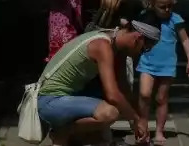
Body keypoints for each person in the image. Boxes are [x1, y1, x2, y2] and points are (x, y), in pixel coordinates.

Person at [36, 12, 162, 146]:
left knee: (113, 108)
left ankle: (79, 138)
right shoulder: (103, 45)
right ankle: (63, 132)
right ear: (139, 39)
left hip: (68, 98)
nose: (141, 54)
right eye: (144, 50)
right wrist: (135, 119)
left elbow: (123, 87)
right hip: (49, 101)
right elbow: (113, 95)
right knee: (110, 113)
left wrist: (140, 120)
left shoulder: (116, 46)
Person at [137, 0, 189, 146]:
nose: (167, 9)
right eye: (162, 7)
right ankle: (142, 124)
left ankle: (159, 131)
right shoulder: (145, 17)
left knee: (161, 98)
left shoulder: (175, 19)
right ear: (151, 4)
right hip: (147, 61)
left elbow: (185, 41)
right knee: (144, 94)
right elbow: (135, 37)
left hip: (167, 64)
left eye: (170, 5)